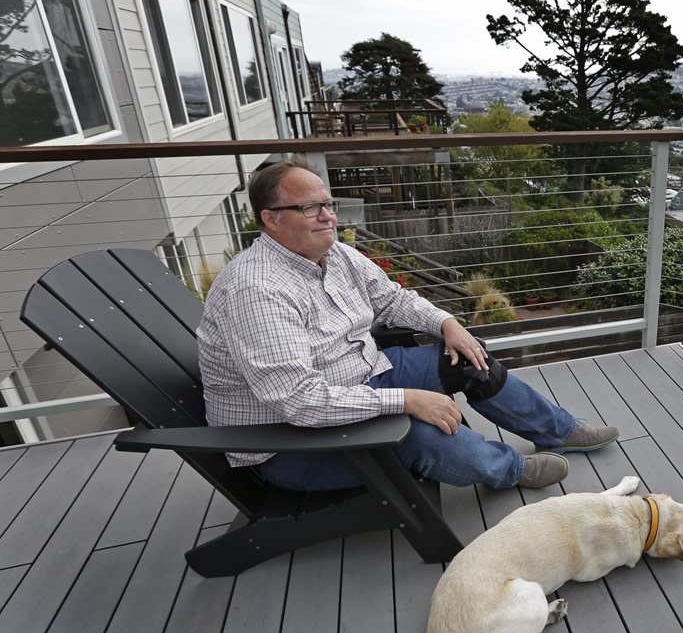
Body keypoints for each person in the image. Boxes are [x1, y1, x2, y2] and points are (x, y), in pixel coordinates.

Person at [197, 158, 618, 491]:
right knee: (415, 431)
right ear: (271, 219)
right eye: (310, 207)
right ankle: (508, 469)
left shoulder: (333, 254)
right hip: (290, 442)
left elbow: (392, 298)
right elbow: (299, 401)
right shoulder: (257, 291)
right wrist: (406, 400)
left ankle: (557, 430)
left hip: (360, 377)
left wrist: (447, 323)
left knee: (467, 358)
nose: (327, 216)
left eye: (328, 204)